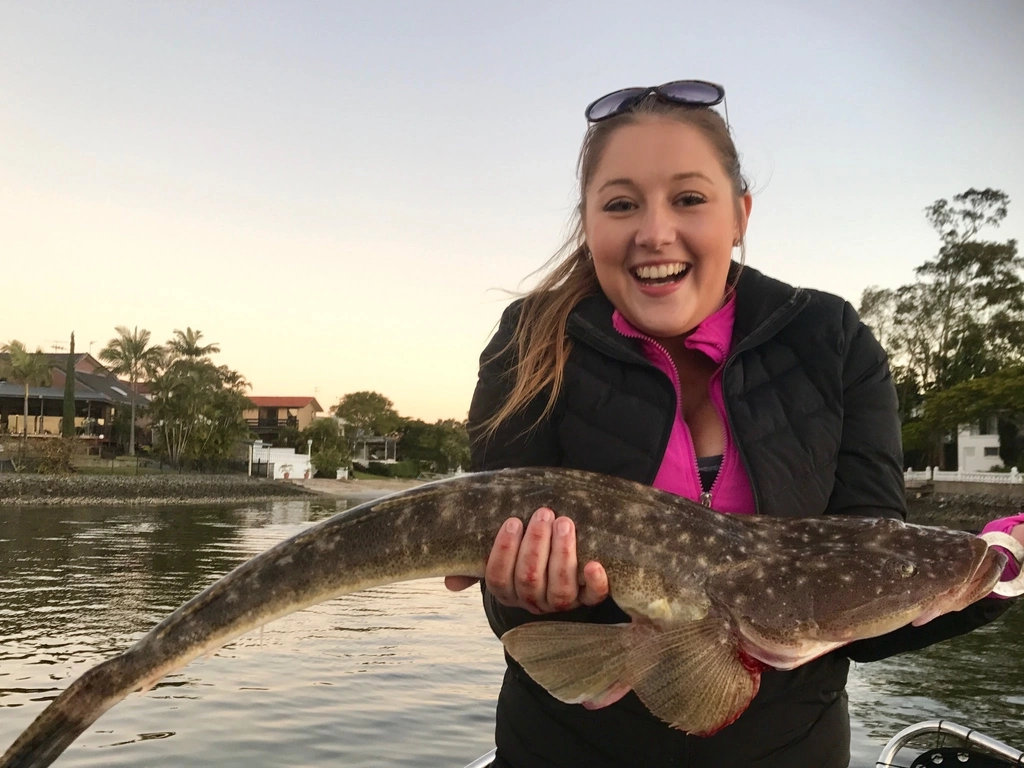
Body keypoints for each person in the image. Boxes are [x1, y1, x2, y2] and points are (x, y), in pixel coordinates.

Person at [445, 80, 1024, 768]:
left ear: (739, 214)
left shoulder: (829, 338)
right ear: (589, 220)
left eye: (689, 199)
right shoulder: (532, 338)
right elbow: (506, 606)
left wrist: (1000, 572)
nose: (655, 232)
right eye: (622, 204)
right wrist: (525, 600)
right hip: (562, 749)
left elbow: (865, 587)